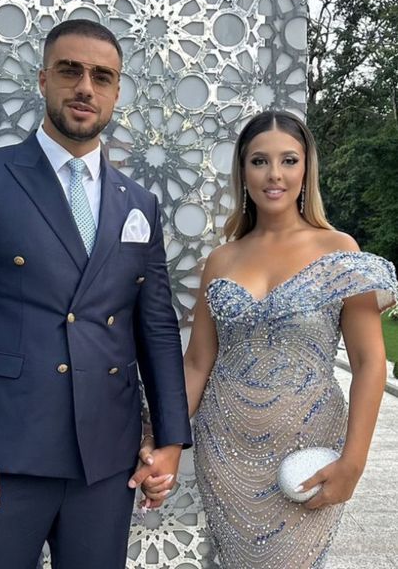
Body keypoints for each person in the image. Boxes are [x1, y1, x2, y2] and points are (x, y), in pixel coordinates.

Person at [0, 18, 192, 569]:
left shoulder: (139, 202)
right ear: (43, 79)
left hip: (105, 460)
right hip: (1, 455)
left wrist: (168, 441)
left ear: (116, 91)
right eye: (70, 71)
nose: (85, 87)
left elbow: (156, 328)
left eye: (102, 77)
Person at [136, 110, 398, 567]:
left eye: (288, 160)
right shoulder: (222, 259)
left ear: (306, 169)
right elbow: (197, 363)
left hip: (308, 452)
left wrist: (353, 463)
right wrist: (162, 439)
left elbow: (369, 362)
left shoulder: (339, 250)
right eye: (259, 161)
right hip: (224, 452)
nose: (274, 174)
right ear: (243, 171)